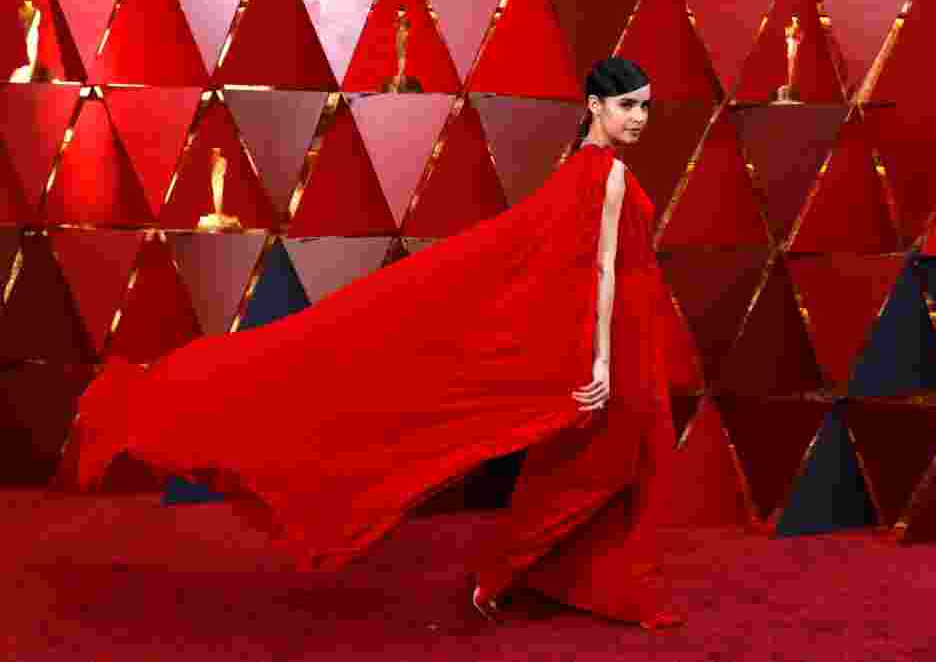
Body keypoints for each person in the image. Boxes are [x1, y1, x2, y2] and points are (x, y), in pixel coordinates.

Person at [60, 57, 689, 630]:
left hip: (625, 328)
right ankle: (512, 574)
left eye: (644, 106)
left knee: (605, 460)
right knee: (605, 460)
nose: (638, 118)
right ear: (594, 106)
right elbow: (597, 267)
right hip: (617, 339)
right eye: (627, 104)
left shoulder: (581, 173)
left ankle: (549, 574)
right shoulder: (601, 174)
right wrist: (600, 359)